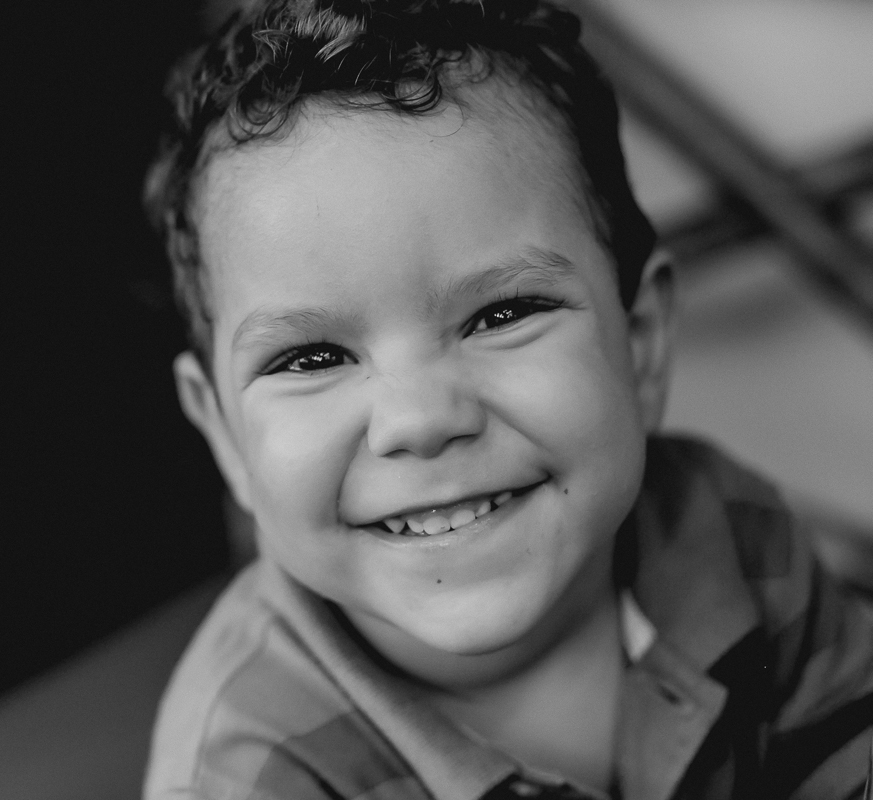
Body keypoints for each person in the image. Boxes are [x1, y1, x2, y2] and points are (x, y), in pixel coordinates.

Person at [140, 1, 873, 797]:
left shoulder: (725, 532)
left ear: (642, 341)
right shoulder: (252, 770)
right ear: (221, 434)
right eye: (312, 357)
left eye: (502, 314)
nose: (421, 420)